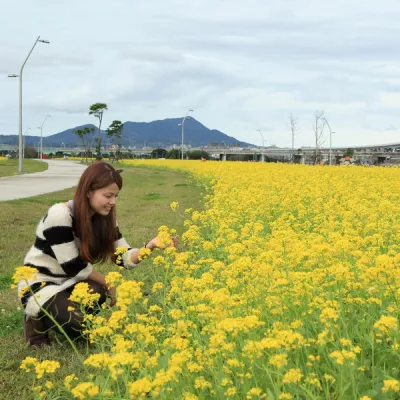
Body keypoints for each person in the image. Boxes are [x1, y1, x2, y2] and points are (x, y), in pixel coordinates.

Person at [18, 161, 176, 348]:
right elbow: (72, 266)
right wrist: (109, 283)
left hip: (70, 282)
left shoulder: (105, 219)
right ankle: (35, 316)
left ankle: (58, 314)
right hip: (40, 283)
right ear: (88, 192)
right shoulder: (59, 214)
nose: (113, 202)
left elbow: (123, 257)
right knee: (84, 330)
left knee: (97, 293)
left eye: (116, 196)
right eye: (108, 196)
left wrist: (150, 246)